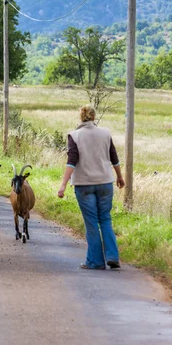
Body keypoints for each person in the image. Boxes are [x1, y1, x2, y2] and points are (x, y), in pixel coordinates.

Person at [57, 105, 125, 270]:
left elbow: (71, 161)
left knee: (92, 222)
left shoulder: (74, 136)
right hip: (105, 183)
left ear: (81, 117)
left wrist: (63, 184)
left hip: (84, 185)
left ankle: (95, 261)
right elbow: (114, 157)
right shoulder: (105, 133)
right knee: (105, 219)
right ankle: (112, 256)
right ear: (94, 117)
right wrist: (120, 176)